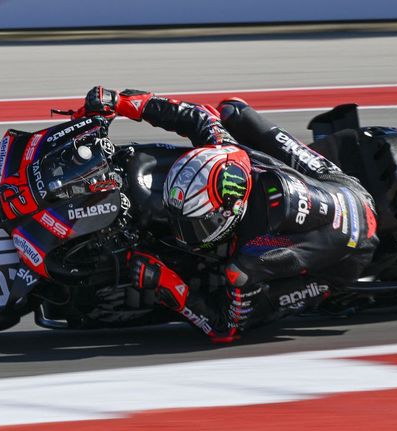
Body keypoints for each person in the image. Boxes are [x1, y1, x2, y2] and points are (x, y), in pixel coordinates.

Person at [76, 86, 379, 343]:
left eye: (195, 225)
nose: (183, 233)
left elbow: (224, 327)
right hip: (332, 182)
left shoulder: (255, 253)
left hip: (352, 247)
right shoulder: (224, 149)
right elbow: (196, 115)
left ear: (228, 214)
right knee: (232, 111)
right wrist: (123, 102)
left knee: (238, 279)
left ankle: (328, 287)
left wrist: (168, 283)